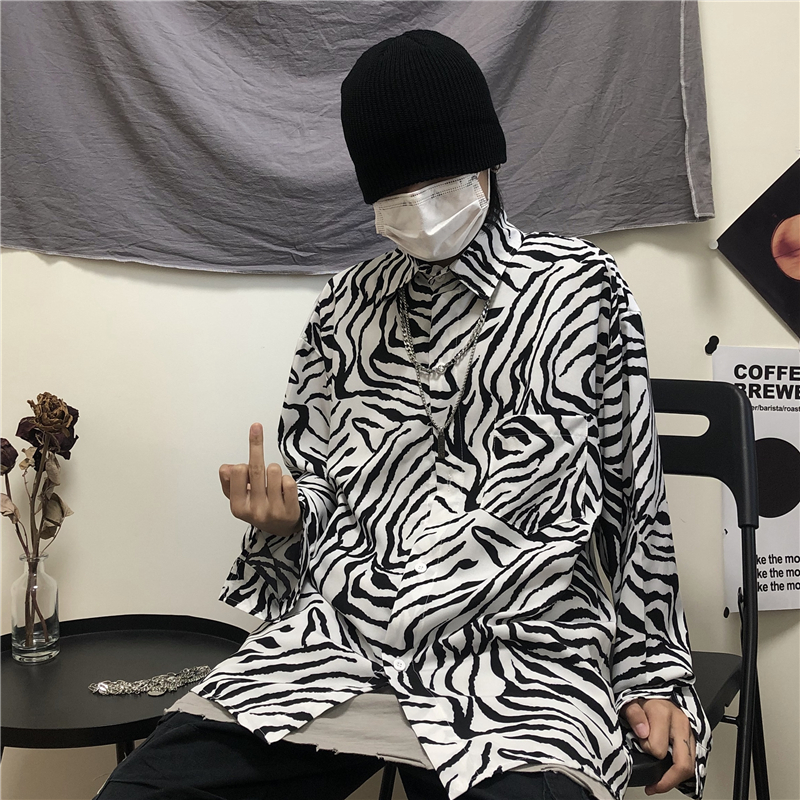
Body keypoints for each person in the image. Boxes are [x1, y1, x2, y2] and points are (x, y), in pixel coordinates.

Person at [95, 29, 711, 800]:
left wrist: (653, 670)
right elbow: (324, 485)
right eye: (396, 191)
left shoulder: (580, 291)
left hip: (523, 661)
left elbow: (632, 498)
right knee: (141, 792)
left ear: (487, 162)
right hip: (342, 646)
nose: (420, 205)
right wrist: (288, 515)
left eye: (440, 179)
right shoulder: (344, 310)